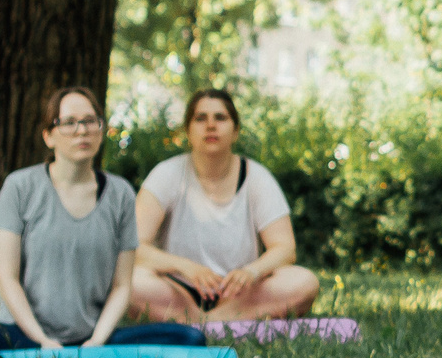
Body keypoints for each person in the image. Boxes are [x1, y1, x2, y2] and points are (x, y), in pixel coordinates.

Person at [0, 86, 204, 356]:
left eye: (90, 121)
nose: (82, 131)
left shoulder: (121, 194)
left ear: (101, 130)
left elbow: (121, 286)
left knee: (189, 337)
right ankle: (45, 351)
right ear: (48, 136)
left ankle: (77, 353)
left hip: (93, 338)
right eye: (69, 122)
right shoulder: (19, 187)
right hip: (25, 334)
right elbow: (7, 278)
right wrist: (43, 341)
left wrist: (96, 341)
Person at [131, 89, 321, 322]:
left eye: (220, 118)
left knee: (304, 282)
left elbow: (285, 248)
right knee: (127, 280)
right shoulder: (166, 174)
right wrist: (186, 267)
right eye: (200, 118)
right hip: (178, 291)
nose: (211, 126)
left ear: (235, 131)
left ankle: (204, 322)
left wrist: (251, 272)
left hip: (240, 294)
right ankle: (219, 322)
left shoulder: (257, 177)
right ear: (188, 131)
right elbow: (134, 247)